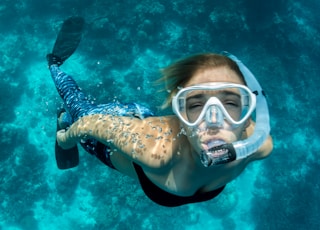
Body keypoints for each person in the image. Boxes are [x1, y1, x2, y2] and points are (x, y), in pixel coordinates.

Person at [48, 17, 273, 207]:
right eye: (195, 105)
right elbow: (90, 124)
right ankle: (54, 65)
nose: (214, 121)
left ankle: (64, 118)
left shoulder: (258, 145)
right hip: (123, 131)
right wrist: (65, 140)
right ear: (180, 115)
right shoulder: (157, 150)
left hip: (144, 120)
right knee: (79, 111)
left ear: (247, 118)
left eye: (230, 104)